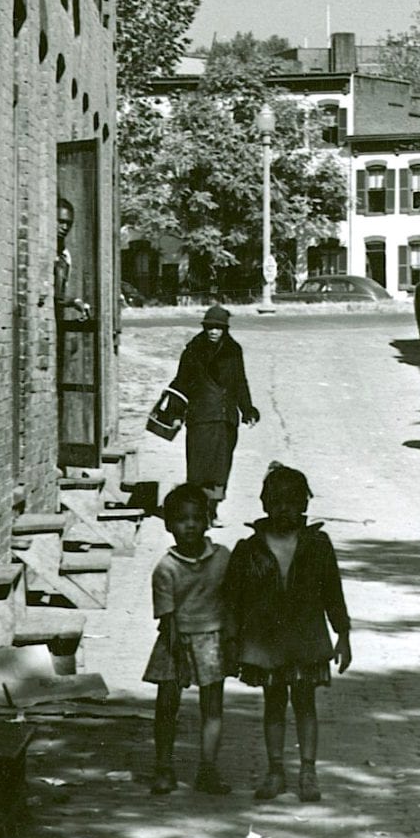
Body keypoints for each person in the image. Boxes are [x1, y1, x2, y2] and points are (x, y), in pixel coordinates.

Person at [229, 463, 352, 803]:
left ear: (304, 504)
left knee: (305, 703)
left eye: (292, 501)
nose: (284, 508)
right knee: (272, 704)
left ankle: (308, 771)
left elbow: (333, 593)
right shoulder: (249, 549)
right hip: (266, 643)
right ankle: (275, 770)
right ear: (264, 503)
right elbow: (234, 600)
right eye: (277, 501)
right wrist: (233, 642)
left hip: (306, 639)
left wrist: (343, 634)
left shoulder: (317, 545)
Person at [145, 484, 233, 796]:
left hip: (212, 640)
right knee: (167, 705)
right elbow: (167, 620)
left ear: (208, 520)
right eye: (182, 519)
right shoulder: (165, 568)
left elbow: (232, 602)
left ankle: (208, 769)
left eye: (198, 518)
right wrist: (178, 658)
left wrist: (233, 642)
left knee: (212, 707)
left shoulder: (223, 558)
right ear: (169, 524)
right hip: (175, 641)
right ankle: (164, 767)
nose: (191, 525)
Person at [170, 305, 258, 513]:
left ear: (225, 329)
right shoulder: (193, 350)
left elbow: (240, 382)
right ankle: (199, 510)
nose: (213, 332)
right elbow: (181, 382)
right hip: (200, 417)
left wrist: (247, 410)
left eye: (218, 328)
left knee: (220, 467)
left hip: (225, 417)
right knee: (199, 467)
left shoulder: (233, 351)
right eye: (210, 327)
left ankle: (213, 508)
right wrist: (175, 413)